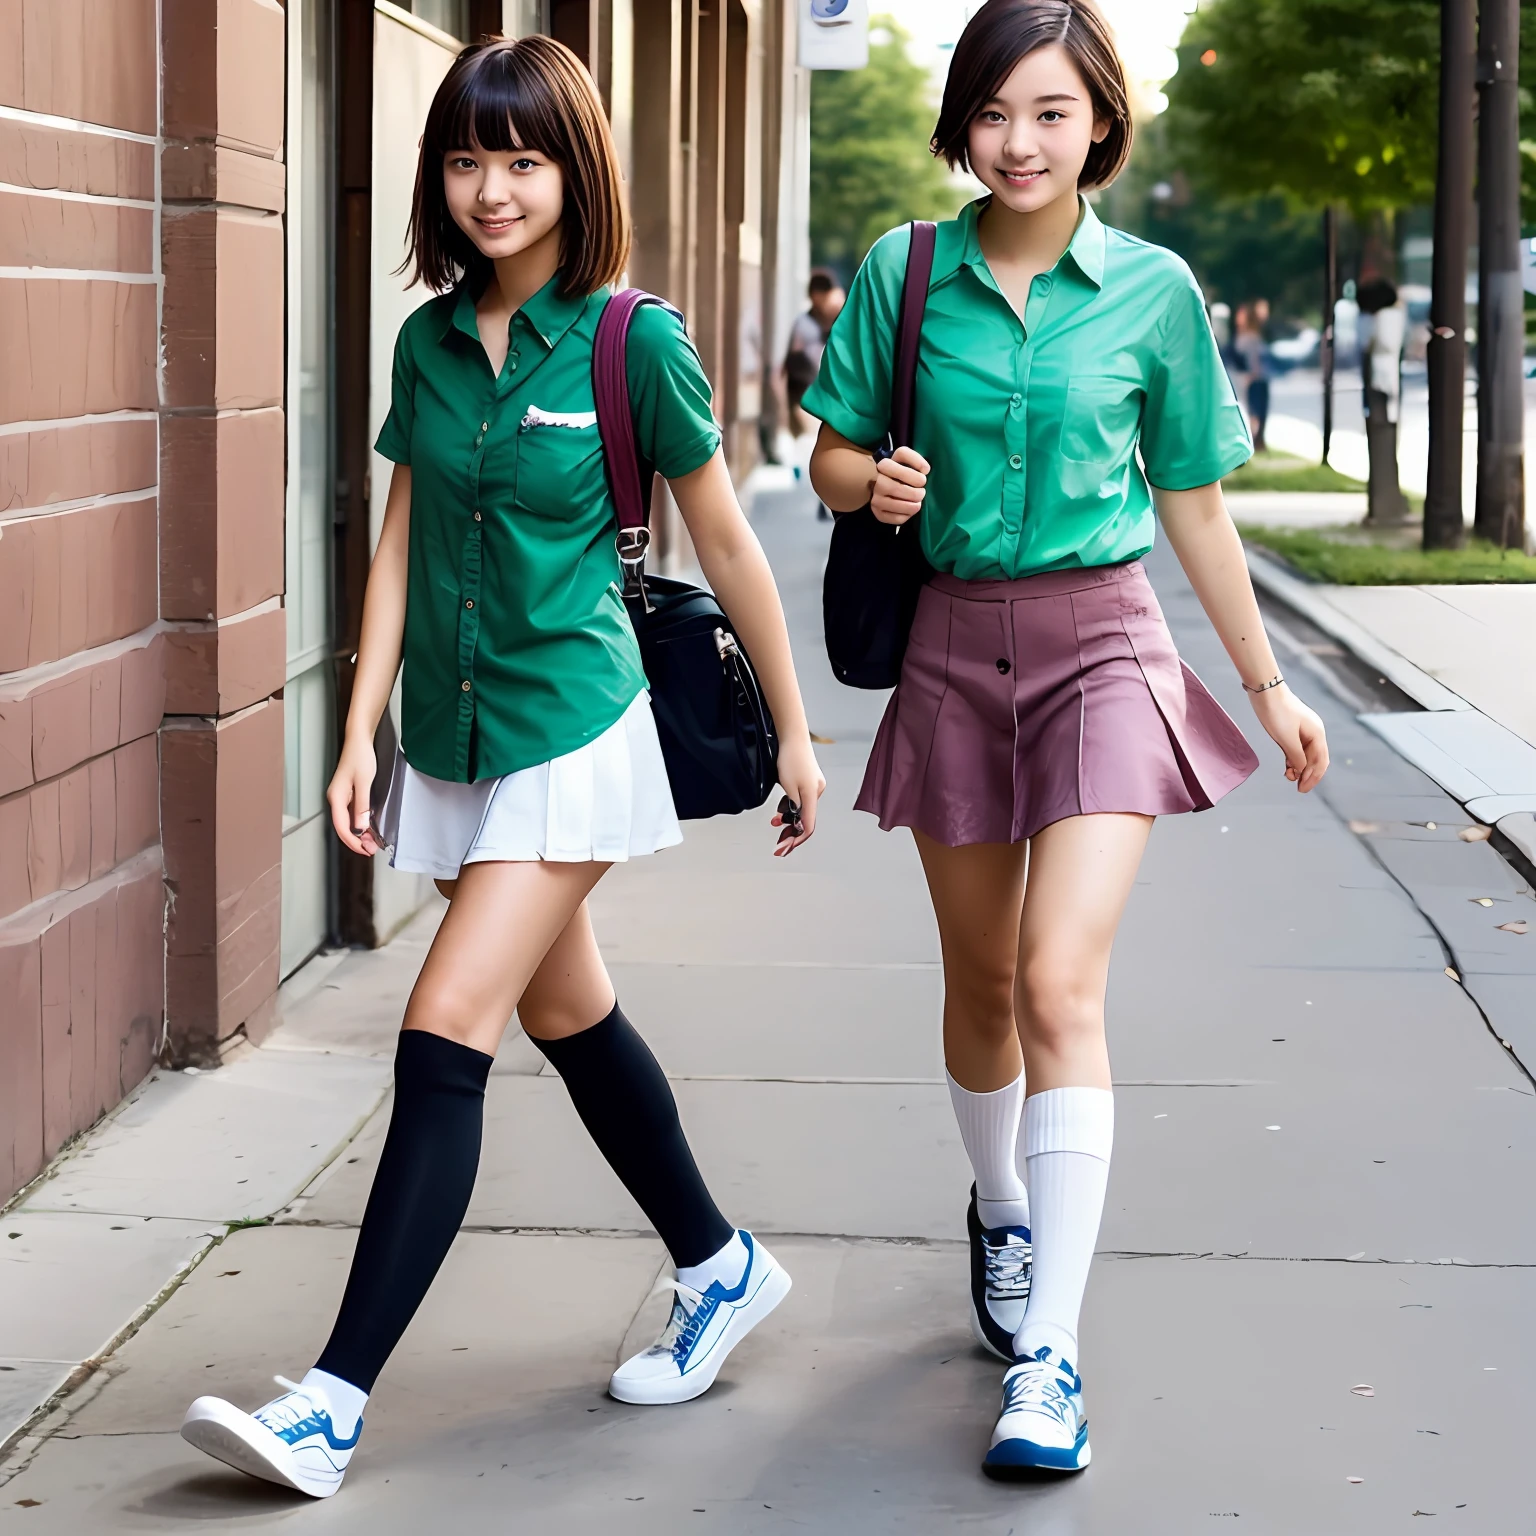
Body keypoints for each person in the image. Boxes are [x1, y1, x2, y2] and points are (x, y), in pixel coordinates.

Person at [179, 35, 824, 1499]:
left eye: (523, 159)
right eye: (468, 158)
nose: (492, 188)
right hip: (463, 734)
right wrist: (359, 721)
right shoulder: (428, 340)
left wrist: (791, 728)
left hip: (579, 727)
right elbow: (402, 534)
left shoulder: (630, 340)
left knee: (445, 1019)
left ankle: (331, 1405)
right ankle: (721, 1265)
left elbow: (725, 540)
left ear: (573, 171)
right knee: (566, 1006)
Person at [806, 0, 1328, 1478]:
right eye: (993, 113)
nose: (1019, 142)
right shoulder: (907, 275)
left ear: (1101, 119)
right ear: (960, 126)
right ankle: (1003, 1212)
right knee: (979, 985)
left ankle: (1052, 1359)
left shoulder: (1155, 292)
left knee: (1055, 982)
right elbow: (830, 445)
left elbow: (1196, 503)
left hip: (1106, 644)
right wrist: (872, 489)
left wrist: (1271, 684)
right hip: (954, 644)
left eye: (1049, 112)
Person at [784, 269, 846, 518]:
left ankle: (824, 500)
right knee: (812, 447)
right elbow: (794, 365)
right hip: (807, 397)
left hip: (829, 397)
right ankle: (821, 499)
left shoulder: (834, 319)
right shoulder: (805, 324)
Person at [1356, 276, 1411, 525]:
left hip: (1380, 381)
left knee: (1381, 432)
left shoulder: (1380, 319)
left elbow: (1372, 344)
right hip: (1385, 382)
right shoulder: (1393, 317)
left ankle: (1384, 502)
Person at [1232, 297, 1272, 452]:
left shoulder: (1249, 337)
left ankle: (1257, 442)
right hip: (1254, 380)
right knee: (1255, 412)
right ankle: (1254, 442)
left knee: (1256, 412)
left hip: (1256, 379)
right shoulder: (1249, 338)